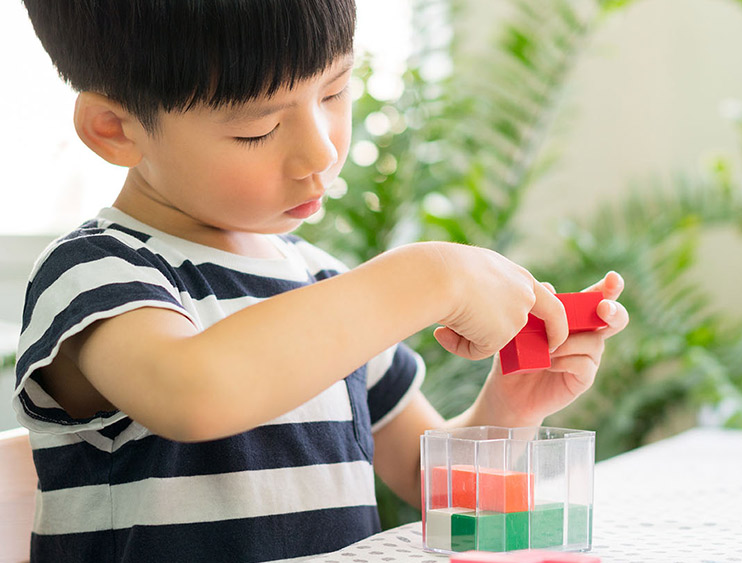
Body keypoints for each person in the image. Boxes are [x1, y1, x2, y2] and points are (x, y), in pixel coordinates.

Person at [13, 1, 629, 562]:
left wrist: (509, 408)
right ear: (116, 128)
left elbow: (436, 489)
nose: (321, 154)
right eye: (257, 129)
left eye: (335, 91)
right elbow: (194, 394)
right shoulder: (98, 273)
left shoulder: (322, 282)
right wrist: (431, 276)